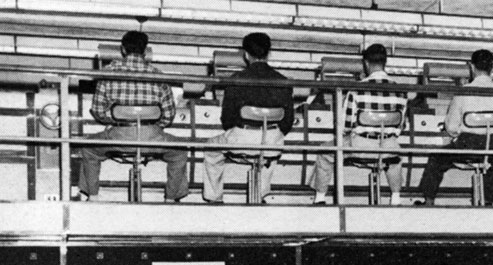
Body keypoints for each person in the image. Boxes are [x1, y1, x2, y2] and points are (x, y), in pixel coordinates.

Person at [79, 31, 188, 202]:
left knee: (88, 149)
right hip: (152, 137)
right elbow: (168, 116)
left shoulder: (108, 73)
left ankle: (93, 196)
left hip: (119, 136)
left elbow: (97, 110)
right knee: (180, 151)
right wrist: (152, 124)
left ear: (123, 49)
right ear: (145, 52)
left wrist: (115, 119)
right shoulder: (159, 76)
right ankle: (170, 199)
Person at [309, 43, 407, 206]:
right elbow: (400, 126)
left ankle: (320, 198)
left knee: (325, 152)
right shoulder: (401, 91)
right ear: (385, 63)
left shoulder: (356, 89)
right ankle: (396, 199)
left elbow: (344, 125)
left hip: (361, 146)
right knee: (394, 154)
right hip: (388, 146)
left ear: (366, 64)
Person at [203, 33, 294, 204]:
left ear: (245, 54)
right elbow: (287, 121)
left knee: (210, 149)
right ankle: (260, 195)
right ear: (269, 53)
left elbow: (227, 118)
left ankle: (214, 198)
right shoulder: (283, 81)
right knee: (273, 145)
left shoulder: (237, 79)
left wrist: (235, 131)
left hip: (242, 138)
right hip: (271, 141)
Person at [416, 49, 493, 206]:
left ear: (472, 67)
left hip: (468, 146)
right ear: (492, 68)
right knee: (490, 158)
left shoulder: (463, 93)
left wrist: (458, 133)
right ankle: (488, 201)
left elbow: (451, 127)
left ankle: (429, 200)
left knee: (437, 158)